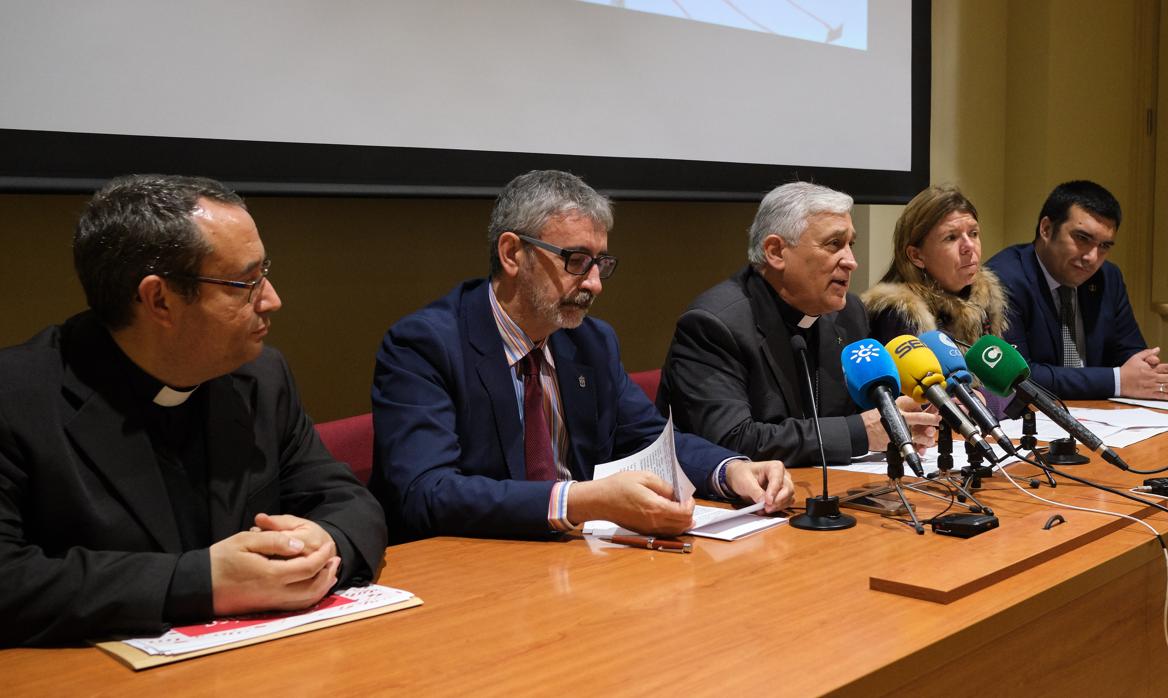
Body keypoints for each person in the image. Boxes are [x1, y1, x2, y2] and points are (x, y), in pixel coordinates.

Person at [0, 175, 386, 647]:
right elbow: (10, 579)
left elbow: (346, 500)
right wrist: (199, 583)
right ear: (159, 299)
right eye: (246, 282)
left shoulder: (261, 377)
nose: (272, 299)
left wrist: (326, 545)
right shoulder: (17, 397)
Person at [371, 170, 793, 542]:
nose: (594, 285)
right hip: (466, 569)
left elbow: (646, 437)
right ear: (511, 254)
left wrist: (728, 469)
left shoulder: (590, 341)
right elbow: (426, 492)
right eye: (576, 261)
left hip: (577, 564)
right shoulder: (424, 345)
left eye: (600, 264)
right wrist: (581, 501)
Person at [657, 182, 939, 468]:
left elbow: (860, 413)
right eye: (834, 244)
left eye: (850, 244)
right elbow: (731, 440)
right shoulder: (713, 325)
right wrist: (860, 432)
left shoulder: (849, 313)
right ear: (776, 252)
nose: (851, 262)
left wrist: (902, 417)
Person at [986, 180, 1168, 400]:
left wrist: (1149, 372)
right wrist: (1117, 381)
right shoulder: (1003, 280)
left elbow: (1130, 355)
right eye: (1082, 238)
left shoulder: (1108, 277)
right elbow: (1019, 377)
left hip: (1103, 417)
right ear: (1047, 229)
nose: (1092, 258)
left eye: (1104, 246)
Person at [861, 185, 1009, 347]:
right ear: (916, 256)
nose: (969, 246)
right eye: (951, 238)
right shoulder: (898, 316)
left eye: (973, 234)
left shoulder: (985, 299)